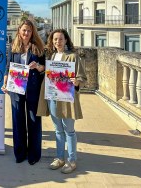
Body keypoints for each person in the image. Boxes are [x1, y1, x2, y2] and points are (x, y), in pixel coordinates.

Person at [37, 29, 87, 174]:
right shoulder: (52, 56)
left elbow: (82, 78)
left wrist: (77, 81)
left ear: (66, 40)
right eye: (55, 39)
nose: (57, 42)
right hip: (53, 98)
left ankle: (71, 161)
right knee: (58, 130)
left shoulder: (73, 57)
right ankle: (60, 158)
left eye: (60, 39)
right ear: (52, 42)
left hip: (66, 100)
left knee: (69, 131)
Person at [1, 19, 46, 165]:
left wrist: (38, 66)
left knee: (34, 122)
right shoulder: (13, 47)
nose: (26, 33)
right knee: (18, 122)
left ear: (33, 32)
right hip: (16, 89)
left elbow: (45, 68)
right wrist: (5, 83)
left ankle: (34, 155)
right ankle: (19, 153)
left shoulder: (39, 47)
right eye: (24, 30)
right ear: (19, 31)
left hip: (33, 89)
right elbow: (8, 67)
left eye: (29, 30)